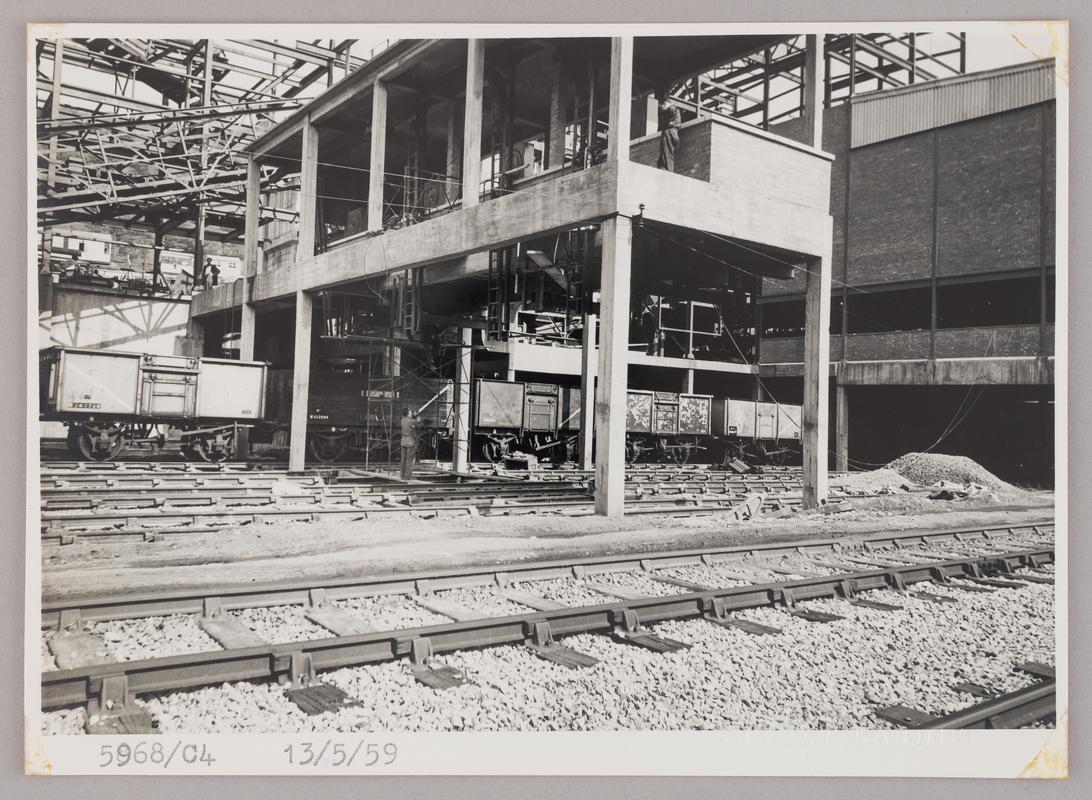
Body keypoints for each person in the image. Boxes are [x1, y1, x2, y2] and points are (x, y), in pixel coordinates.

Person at [656, 88, 681, 172]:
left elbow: (670, 111)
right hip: (672, 133)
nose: (662, 106)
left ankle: (667, 171)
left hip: (669, 133)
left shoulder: (672, 108)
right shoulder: (673, 111)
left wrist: (663, 109)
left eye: (663, 104)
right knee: (665, 155)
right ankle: (664, 168)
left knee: (667, 155)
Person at [399, 407, 418, 481]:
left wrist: (413, 417)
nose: (411, 412)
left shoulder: (402, 420)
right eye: (410, 411)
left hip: (403, 441)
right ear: (408, 413)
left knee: (403, 459)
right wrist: (417, 416)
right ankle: (408, 477)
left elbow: (411, 422)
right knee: (409, 460)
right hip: (410, 442)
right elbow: (418, 424)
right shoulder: (412, 421)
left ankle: (402, 476)